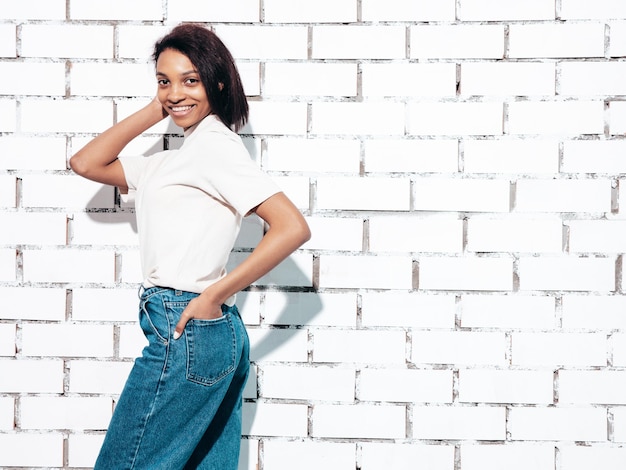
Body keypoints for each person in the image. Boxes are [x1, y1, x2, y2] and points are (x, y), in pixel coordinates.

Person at [70, 23, 310, 469]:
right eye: (165, 81)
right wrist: (158, 107)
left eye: (190, 80)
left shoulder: (216, 147)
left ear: (217, 82)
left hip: (185, 325)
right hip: (210, 333)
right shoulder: (173, 160)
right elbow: (86, 162)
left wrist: (213, 295)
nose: (176, 92)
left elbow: (291, 227)